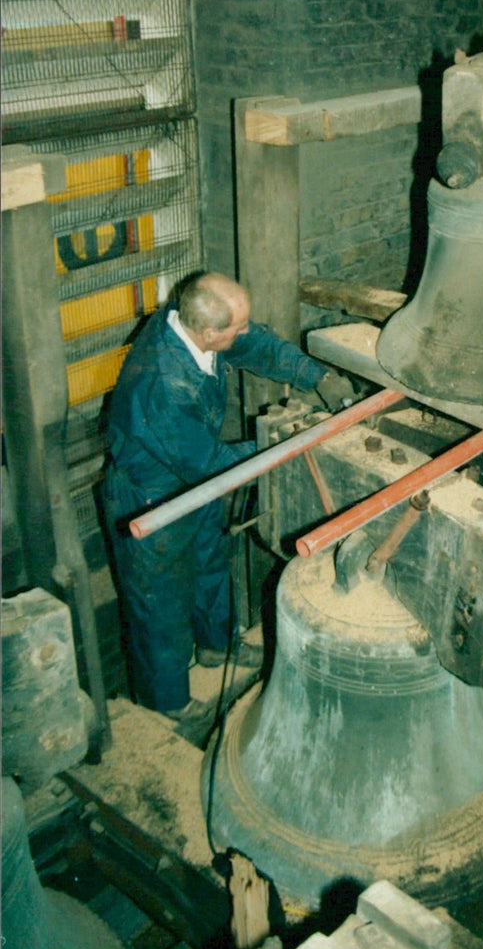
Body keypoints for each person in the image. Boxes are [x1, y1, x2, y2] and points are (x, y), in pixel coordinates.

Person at [102, 271, 354, 716]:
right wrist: (288, 439)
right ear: (209, 332)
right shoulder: (162, 386)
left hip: (192, 480)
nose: (244, 332)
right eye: (236, 328)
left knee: (211, 565)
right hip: (151, 496)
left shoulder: (192, 325)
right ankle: (170, 705)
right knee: (161, 604)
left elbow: (257, 345)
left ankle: (219, 648)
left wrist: (318, 377)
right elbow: (215, 465)